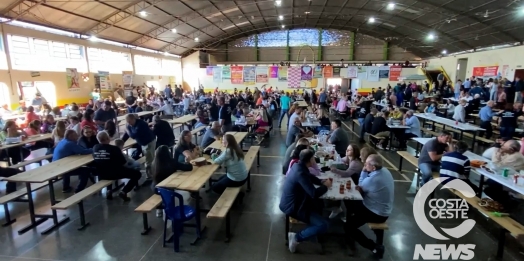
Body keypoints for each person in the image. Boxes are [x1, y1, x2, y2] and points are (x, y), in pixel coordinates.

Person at [280, 149, 331, 253]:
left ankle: (312, 231)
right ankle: (296, 237)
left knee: (320, 207)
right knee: (323, 225)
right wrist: (325, 186)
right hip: (294, 207)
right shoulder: (301, 172)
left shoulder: (298, 166)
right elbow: (313, 193)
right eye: (313, 158)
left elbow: (309, 176)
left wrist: (321, 181)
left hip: (297, 202)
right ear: (311, 159)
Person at [344, 155, 394, 258]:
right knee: (353, 207)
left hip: (375, 212)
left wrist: (363, 172)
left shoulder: (373, 179)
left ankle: (374, 247)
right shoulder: (385, 171)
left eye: (366, 164)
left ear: (374, 168)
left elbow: (360, 186)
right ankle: (351, 219)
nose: (364, 165)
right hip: (385, 210)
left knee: (348, 226)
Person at [151, 145, 194, 217]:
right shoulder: (171, 162)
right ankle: (171, 208)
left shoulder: (154, 163)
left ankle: (159, 209)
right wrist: (188, 162)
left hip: (155, 188)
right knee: (184, 193)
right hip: (167, 188)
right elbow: (188, 168)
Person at [125, 114, 156, 178]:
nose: (129, 123)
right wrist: (122, 142)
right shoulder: (130, 124)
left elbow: (134, 135)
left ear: (134, 119)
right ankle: (151, 174)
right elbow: (127, 134)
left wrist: (127, 130)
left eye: (129, 121)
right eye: (127, 122)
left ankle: (150, 176)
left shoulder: (141, 124)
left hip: (149, 142)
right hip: (143, 143)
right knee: (148, 158)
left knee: (149, 159)